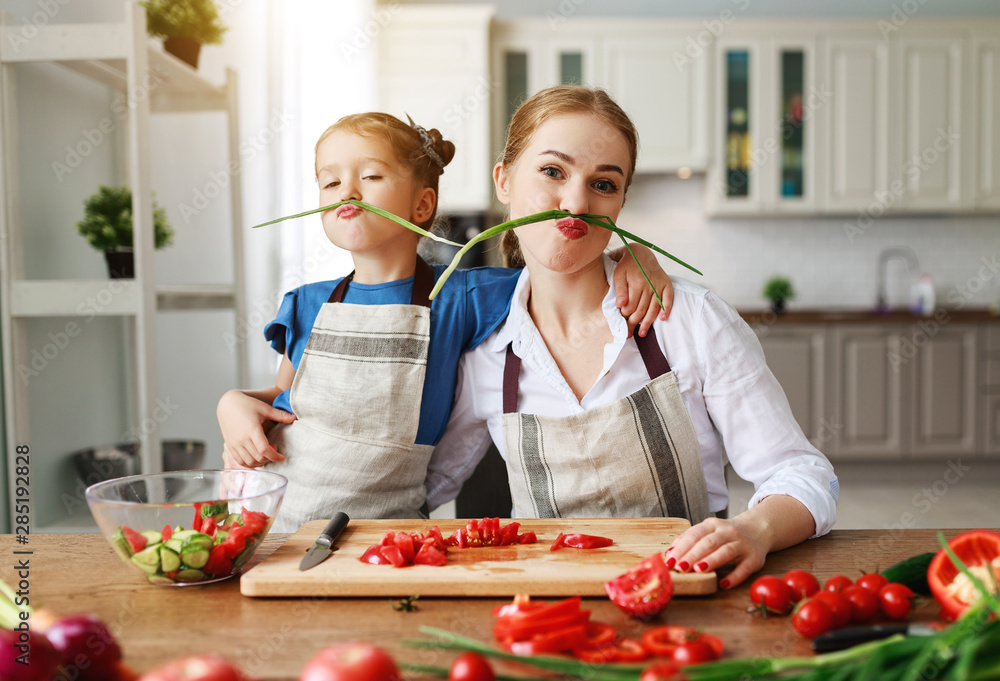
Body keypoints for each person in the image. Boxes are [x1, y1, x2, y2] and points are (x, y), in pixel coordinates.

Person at [426, 85, 839, 588]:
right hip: (547, 612)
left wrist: (755, 529)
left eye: (603, 184)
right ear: (504, 180)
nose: (576, 201)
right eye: (553, 171)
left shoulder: (690, 321)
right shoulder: (488, 350)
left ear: (620, 201)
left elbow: (802, 474)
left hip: (683, 603)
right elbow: (426, 482)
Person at [217, 111, 674, 531]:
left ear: (422, 206)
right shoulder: (305, 304)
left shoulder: (463, 296)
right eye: (330, 182)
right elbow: (282, 402)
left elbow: (565, 267)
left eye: (371, 176)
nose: (348, 192)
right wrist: (233, 404)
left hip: (380, 534)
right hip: (268, 517)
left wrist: (632, 253)